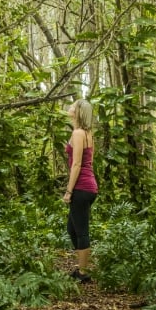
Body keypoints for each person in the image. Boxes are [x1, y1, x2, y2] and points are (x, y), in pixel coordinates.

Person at [62, 98, 98, 283]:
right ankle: (82, 266)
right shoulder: (87, 133)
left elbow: (77, 164)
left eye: (74, 105)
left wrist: (69, 191)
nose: (71, 106)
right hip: (88, 187)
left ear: (78, 112)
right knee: (72, 229)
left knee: (81, 231)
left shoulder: (78, 133)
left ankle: (83, 274)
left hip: (82, 187)